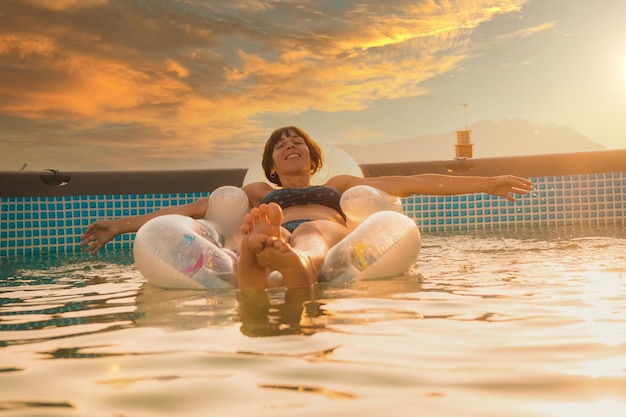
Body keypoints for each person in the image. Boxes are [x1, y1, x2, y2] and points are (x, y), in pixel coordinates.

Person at [81, 126, 533, 290]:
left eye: (296, 140)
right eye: (280, 144)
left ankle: (293, 261)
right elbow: (192, 210)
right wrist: (120, 226)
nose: (288, 144)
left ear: (312, 159)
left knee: (312, 234)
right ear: (272, 167)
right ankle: (260, 254)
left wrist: (487, 182)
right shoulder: (259, 192)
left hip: (323, 226)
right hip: (266, 226)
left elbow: (411, 183)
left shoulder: (337, 185)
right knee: (243, 231)